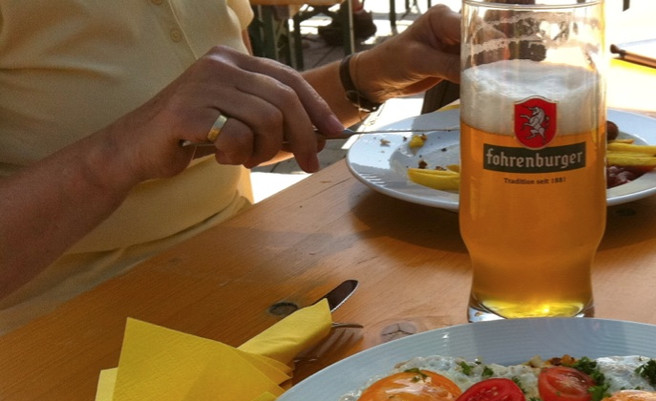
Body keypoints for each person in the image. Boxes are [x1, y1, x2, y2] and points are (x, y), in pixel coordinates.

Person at [0, 1, 461, 333]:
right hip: (64, 339)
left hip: (255, 287)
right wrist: (118, 152)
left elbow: (236, 132)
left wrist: (370, 75)